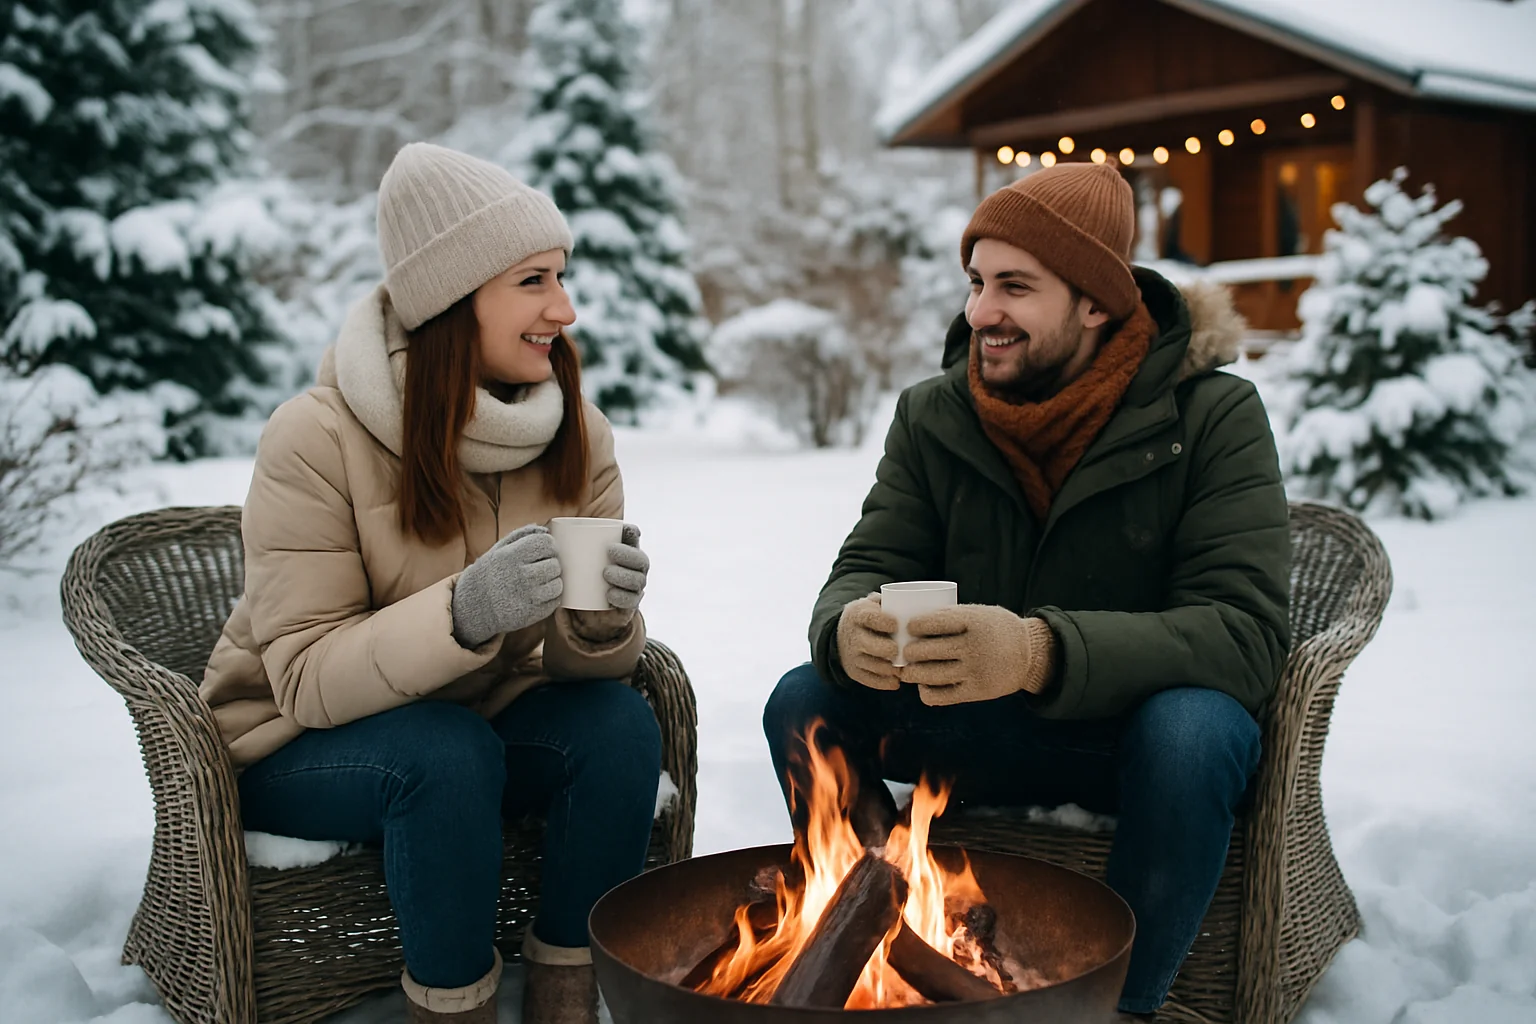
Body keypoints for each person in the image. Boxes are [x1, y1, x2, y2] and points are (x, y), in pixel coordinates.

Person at [762, 163, 1290, 1018]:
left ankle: (1120, 1006)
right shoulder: (934, 414)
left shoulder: (1213, 417)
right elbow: (865, 566)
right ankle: (892, 938)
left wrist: (1042, 652)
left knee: (1197, 733)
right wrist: (846, 628)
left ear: (1095, 303)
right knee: (803, 698)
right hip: (971, 726)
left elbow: (1245, 634)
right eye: (976, 283)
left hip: (1128, 744)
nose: (981, 313)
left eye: (1014, 286)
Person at [200, 143, 661, 1024]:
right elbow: (303, 676)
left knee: (617, 726)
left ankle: (568, 994)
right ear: (454, 298)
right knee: (444, 752)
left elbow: (569, 673)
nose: (564, 309)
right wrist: (465, 611)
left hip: (476, 723)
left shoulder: (577, 432)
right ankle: (454, 1010)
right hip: (296, 745)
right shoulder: (314, 438)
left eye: (561, 276)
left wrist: (601, 627)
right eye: (533, 281)